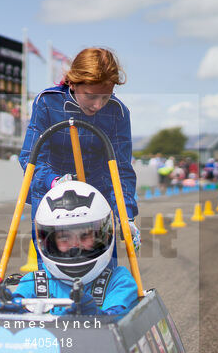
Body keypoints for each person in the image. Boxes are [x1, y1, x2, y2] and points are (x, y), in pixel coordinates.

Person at [18, 47, 139, 263]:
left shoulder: (118, 112)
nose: (98, 105)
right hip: (51, 192)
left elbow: (121, 170)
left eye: (106, 96)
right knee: (54, 265)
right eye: (91, 96)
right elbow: (30, 157)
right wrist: (54, 181)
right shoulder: (46, 102)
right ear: (72, 84)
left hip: (97, 195)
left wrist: (127, 215)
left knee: (103, 265)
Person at [0, 181, 139, 316]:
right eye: (64, 237)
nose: (75, 245)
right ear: (50, 242)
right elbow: (15, 324)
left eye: (85, 236)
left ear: (103, 236)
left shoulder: (119, 281)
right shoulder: (33, 282)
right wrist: (5, 311)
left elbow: (120, 321)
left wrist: (97, 317)